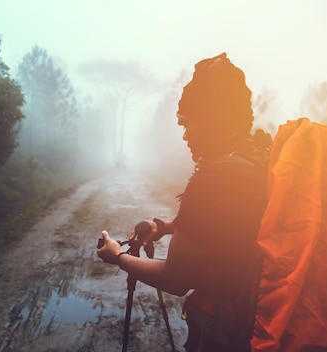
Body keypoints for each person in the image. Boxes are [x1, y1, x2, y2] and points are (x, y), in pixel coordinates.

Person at [97, 52, 271, 352]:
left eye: (190, 123)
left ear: (212, 120)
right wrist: (162, 227)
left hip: (222, 334)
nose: (186, 135)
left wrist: (118, 258)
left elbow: (177, 279)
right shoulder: (258, 163)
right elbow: (224, 227)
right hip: (255, 325)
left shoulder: (213, 180)